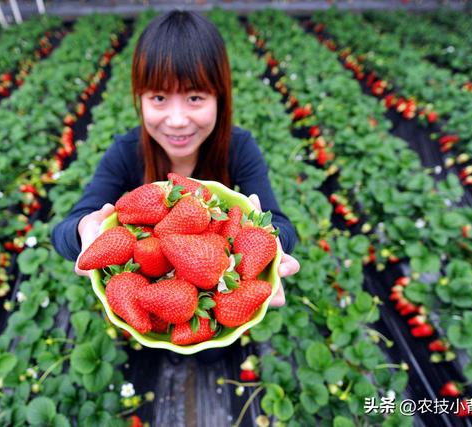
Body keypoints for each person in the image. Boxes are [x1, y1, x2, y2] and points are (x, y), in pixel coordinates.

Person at [51, 10, 299, 350]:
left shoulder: (239, 148)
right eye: (158, 98)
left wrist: (272, 240)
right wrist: (84, 230)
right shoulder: (125, 152)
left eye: (195, 97)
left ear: (220, 98)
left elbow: (282, 226)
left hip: (210, 311)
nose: (178, 119)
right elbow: (64, 231)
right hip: (158, 311)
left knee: (212, 352)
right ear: (138, 98)